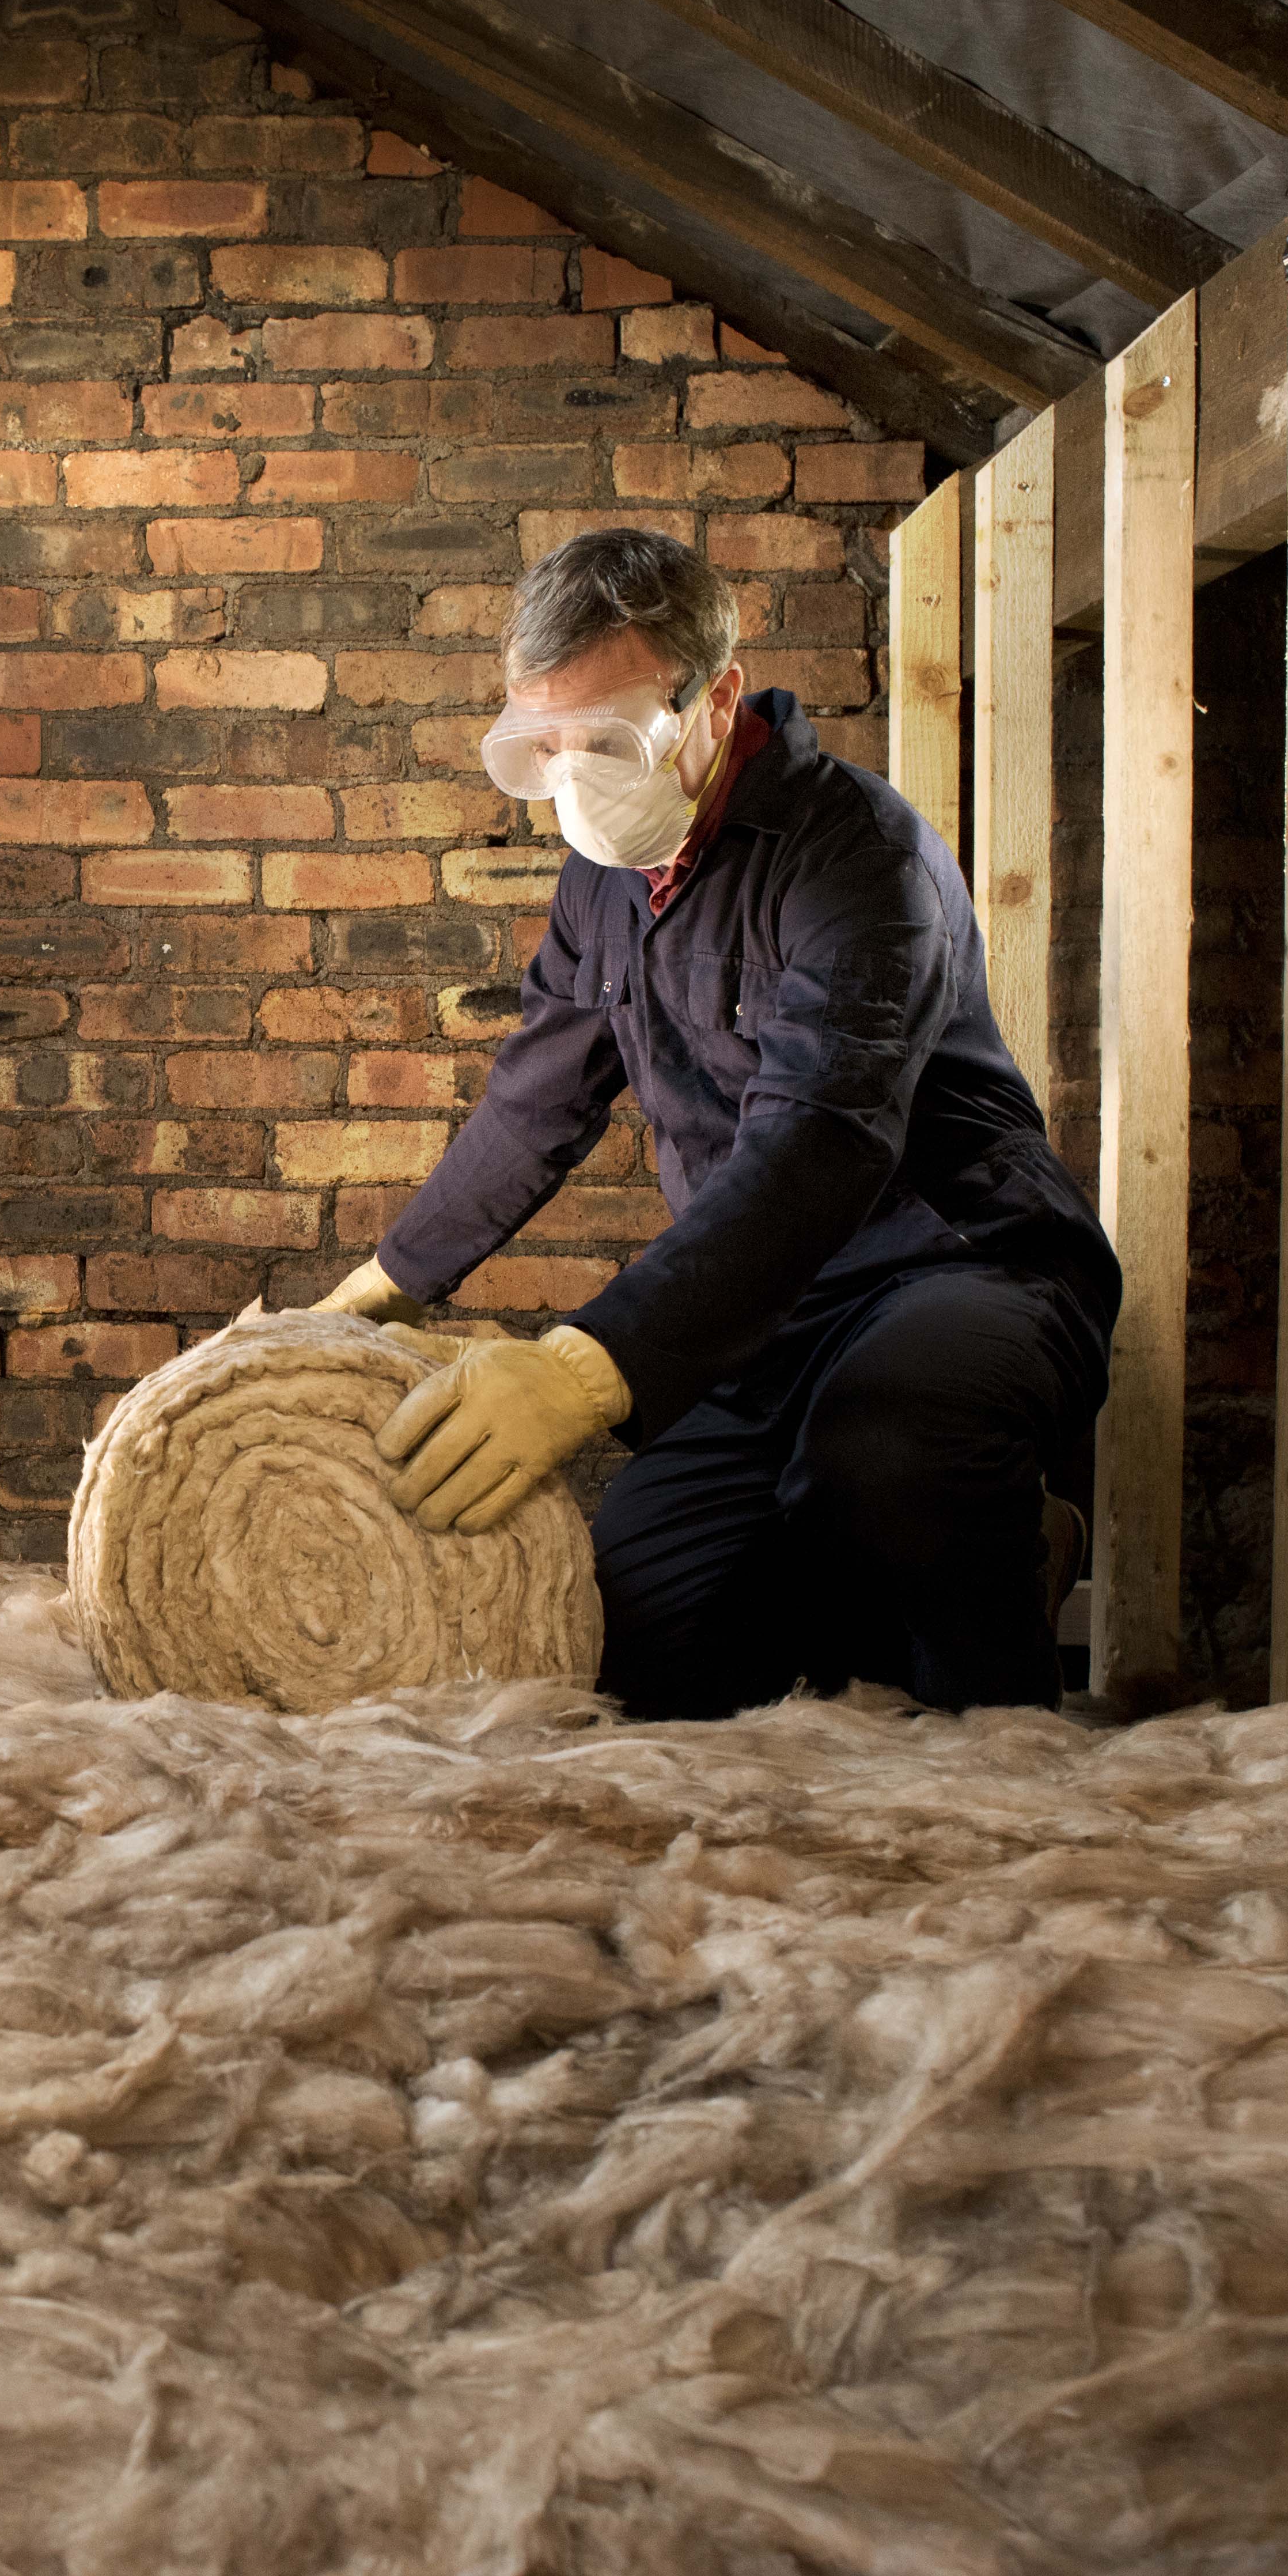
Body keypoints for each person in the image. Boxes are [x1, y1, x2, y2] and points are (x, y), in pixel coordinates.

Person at [318, 525, 1118, 1720]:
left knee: (888, 1454)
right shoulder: (602, 872)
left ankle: (998, 1620)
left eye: (611, 738)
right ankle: (886, 1557)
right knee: (644, 1629)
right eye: (542, 747)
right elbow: (538, 1094)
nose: (576, 777)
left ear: (715, 697)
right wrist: (372, 1292)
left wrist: (582, 1370)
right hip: (759, 1317)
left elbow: (821, 1144)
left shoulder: (858, 858)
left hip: (953, 1266)